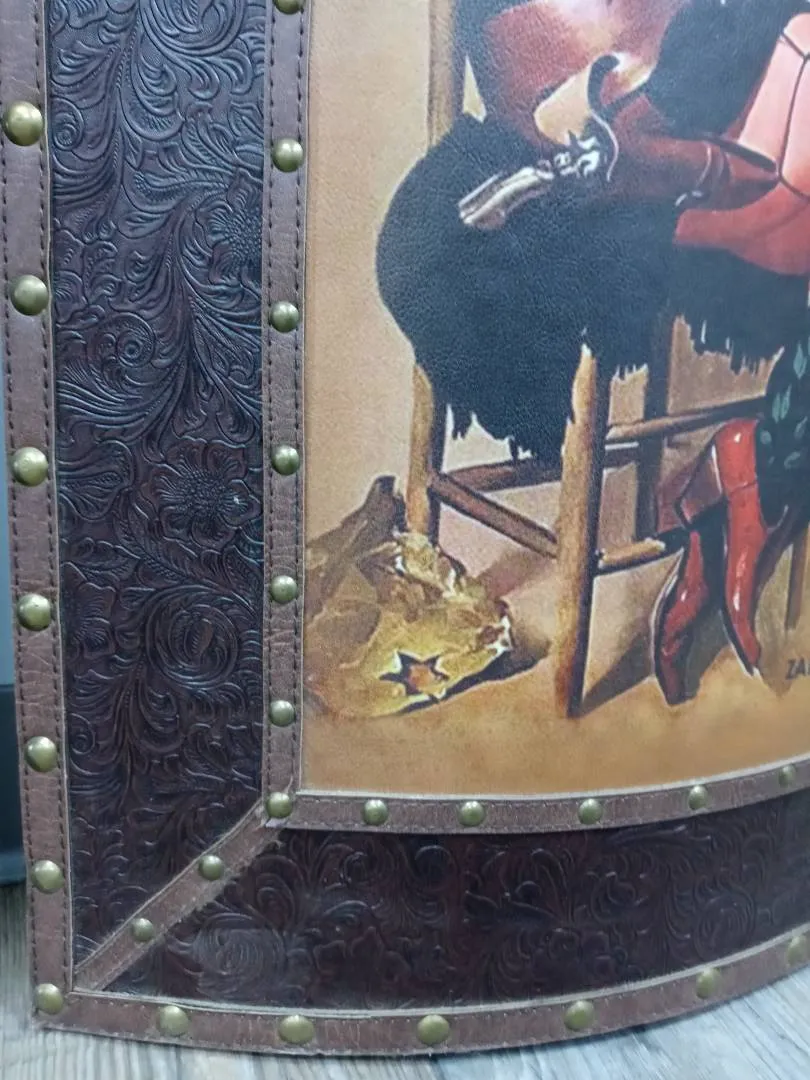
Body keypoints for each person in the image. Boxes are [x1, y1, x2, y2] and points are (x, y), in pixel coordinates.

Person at [376, 0, 810, 704]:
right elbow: (534, 83)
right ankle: (758, 468)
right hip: (612, 111)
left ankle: (757, 466)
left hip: (718, 105)